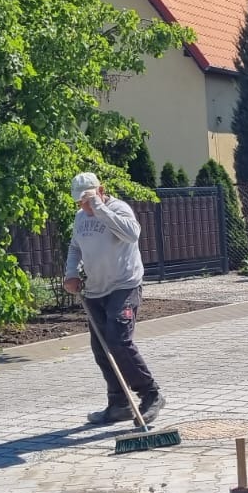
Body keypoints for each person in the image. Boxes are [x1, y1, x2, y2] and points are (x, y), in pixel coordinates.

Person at [62, 172, 166, 426]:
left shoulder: (119, 209)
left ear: (101, 190)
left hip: (124, 285)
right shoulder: (80, 217)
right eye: (79, 201)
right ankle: (119, 404)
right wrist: (71, 273)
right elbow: (75, 247)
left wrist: (99, 208)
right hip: (95, 290)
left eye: (87, 199)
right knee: (101, 348)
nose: (83, 206)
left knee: (118, 340)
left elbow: (132, 234)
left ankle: (151, 394)